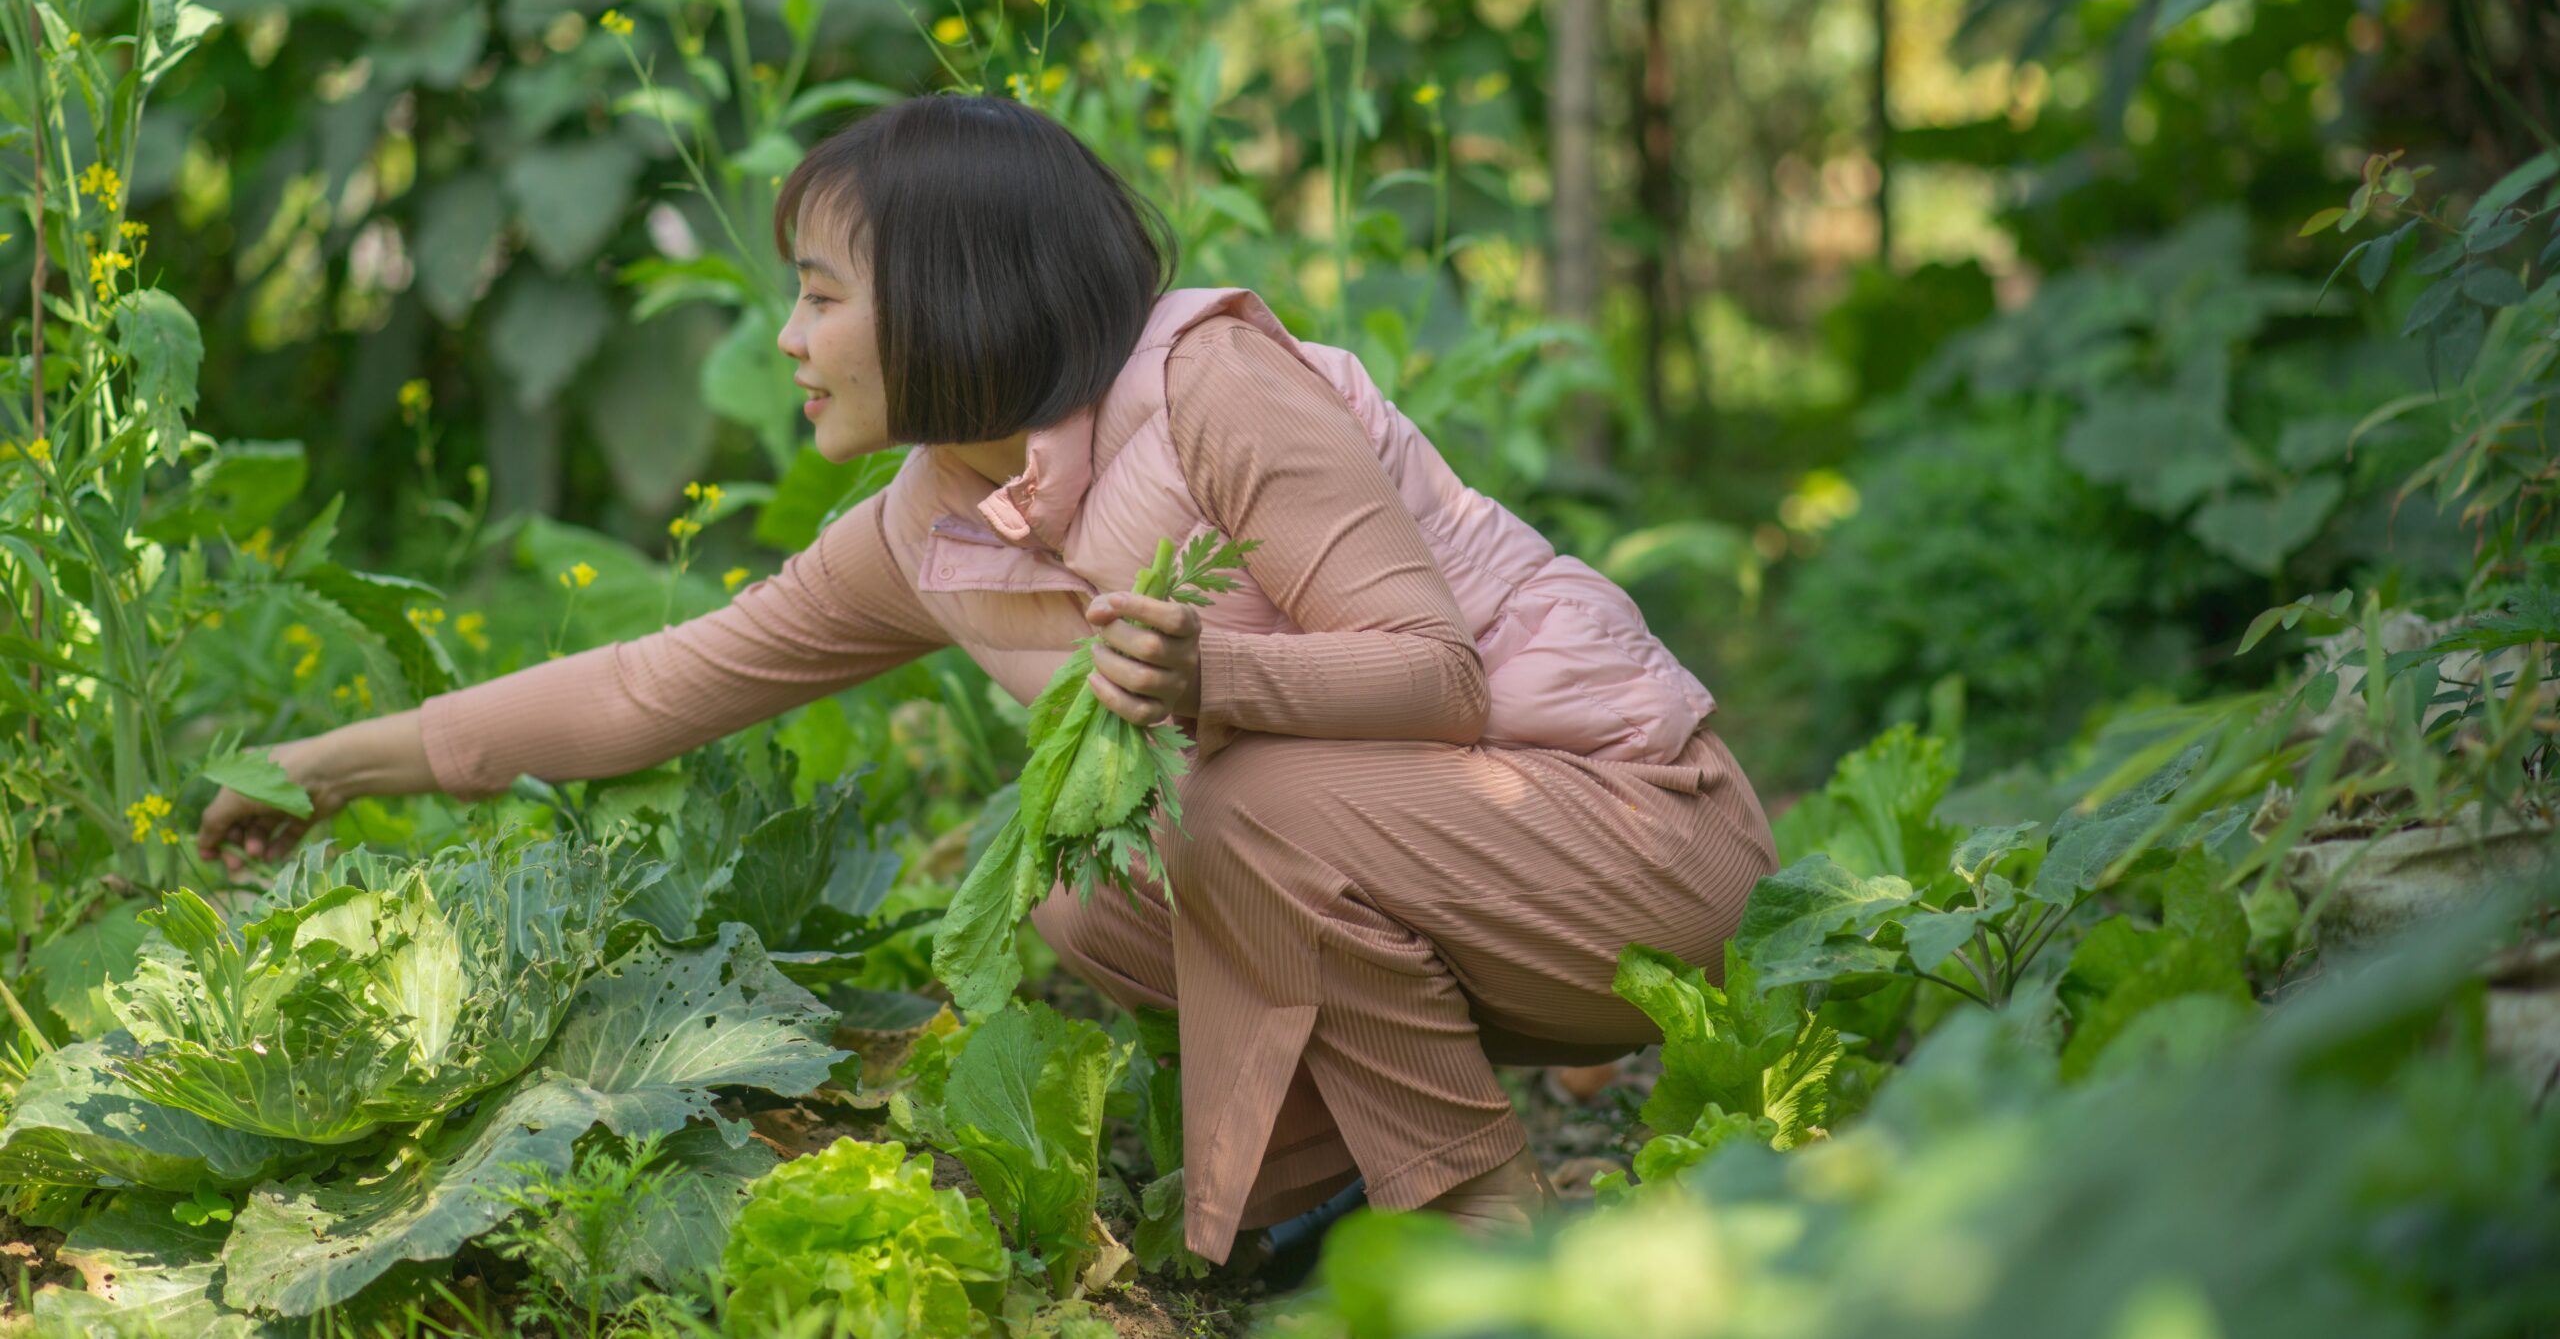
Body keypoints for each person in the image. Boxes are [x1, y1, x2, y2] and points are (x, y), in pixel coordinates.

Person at [198, 92, 1778, 1266]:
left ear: (956, 293)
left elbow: (1435, 677)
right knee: (1080, 881)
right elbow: (645, 689)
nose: (791, 333)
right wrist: (323, 765)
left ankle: (1486, 1236)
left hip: (1631, 839)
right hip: (1435, 872)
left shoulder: (1213, 380)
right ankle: (1325, 1189)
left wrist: (1219, 673)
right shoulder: (927, 524)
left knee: (1232, 792)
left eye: (822, 292)